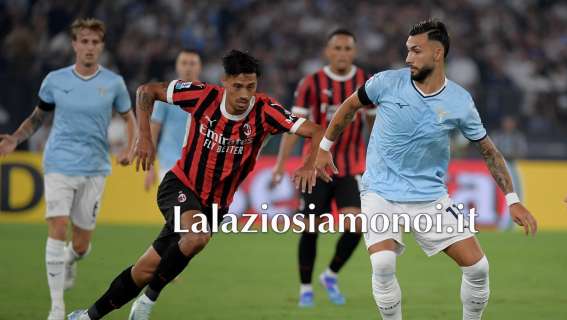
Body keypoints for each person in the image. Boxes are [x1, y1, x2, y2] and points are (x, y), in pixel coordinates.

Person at [68, 50, 330, 320]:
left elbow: (316, 130)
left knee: (145, 269)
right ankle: (148, 300)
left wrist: (310, 162)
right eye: (237, 86)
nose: (244, 95)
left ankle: (87, 316)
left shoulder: (265, 111)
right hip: (181, 185)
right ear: (224, 81)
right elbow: (147, 91)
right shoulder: (202, 96)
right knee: (196, 236)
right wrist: (144, 138)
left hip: (216, 205)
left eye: (250, 87)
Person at [314, 19, 538, 320]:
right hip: (380, 192)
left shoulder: (460, 101)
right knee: (382, 265)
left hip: (430, 197)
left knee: (478, 268)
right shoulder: (386, 83)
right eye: (407, 50)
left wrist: (512, 200)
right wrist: (324, 148)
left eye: (416, 51)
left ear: (437, 53)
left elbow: (488, 150)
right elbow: (348, 106)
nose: (408, 58)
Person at [0, 18, 136, 320]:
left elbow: (129, 118)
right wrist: (16, 138)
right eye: (84, 41)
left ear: (101, 47)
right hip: (58, 161)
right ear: (74, 44)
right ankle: (57, 308)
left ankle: (71, 259)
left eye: (95, 42)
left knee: (81, 244)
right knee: (58, 228)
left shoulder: (113, 83)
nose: (89, 47)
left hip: (95, 167)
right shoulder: (55, 80)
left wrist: (130, 146)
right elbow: (38, 117)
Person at [271, 29, 374, 307]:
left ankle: (330, 275)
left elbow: (373, 124)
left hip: (350, 166)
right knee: (310, 228)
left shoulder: (365, 81)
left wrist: (377, 162)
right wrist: (281, 164)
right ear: (327, 51)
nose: (342, 53)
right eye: (337, 48)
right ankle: (306, 288)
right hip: (315, 168)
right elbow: (293, 128)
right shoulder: (311, 83)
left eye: (347, 48)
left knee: (356, 226)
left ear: (354, 52)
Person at [144, 49, 202, 190]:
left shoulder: (208, 96)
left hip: (198, 167)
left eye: (192, 63)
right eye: (184, 63)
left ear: (200, 67)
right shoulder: (165, 94)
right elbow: (153, 130)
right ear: (177, 66)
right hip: (169, 164)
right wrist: (150, 168)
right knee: (175, 210)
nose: (188, 67)